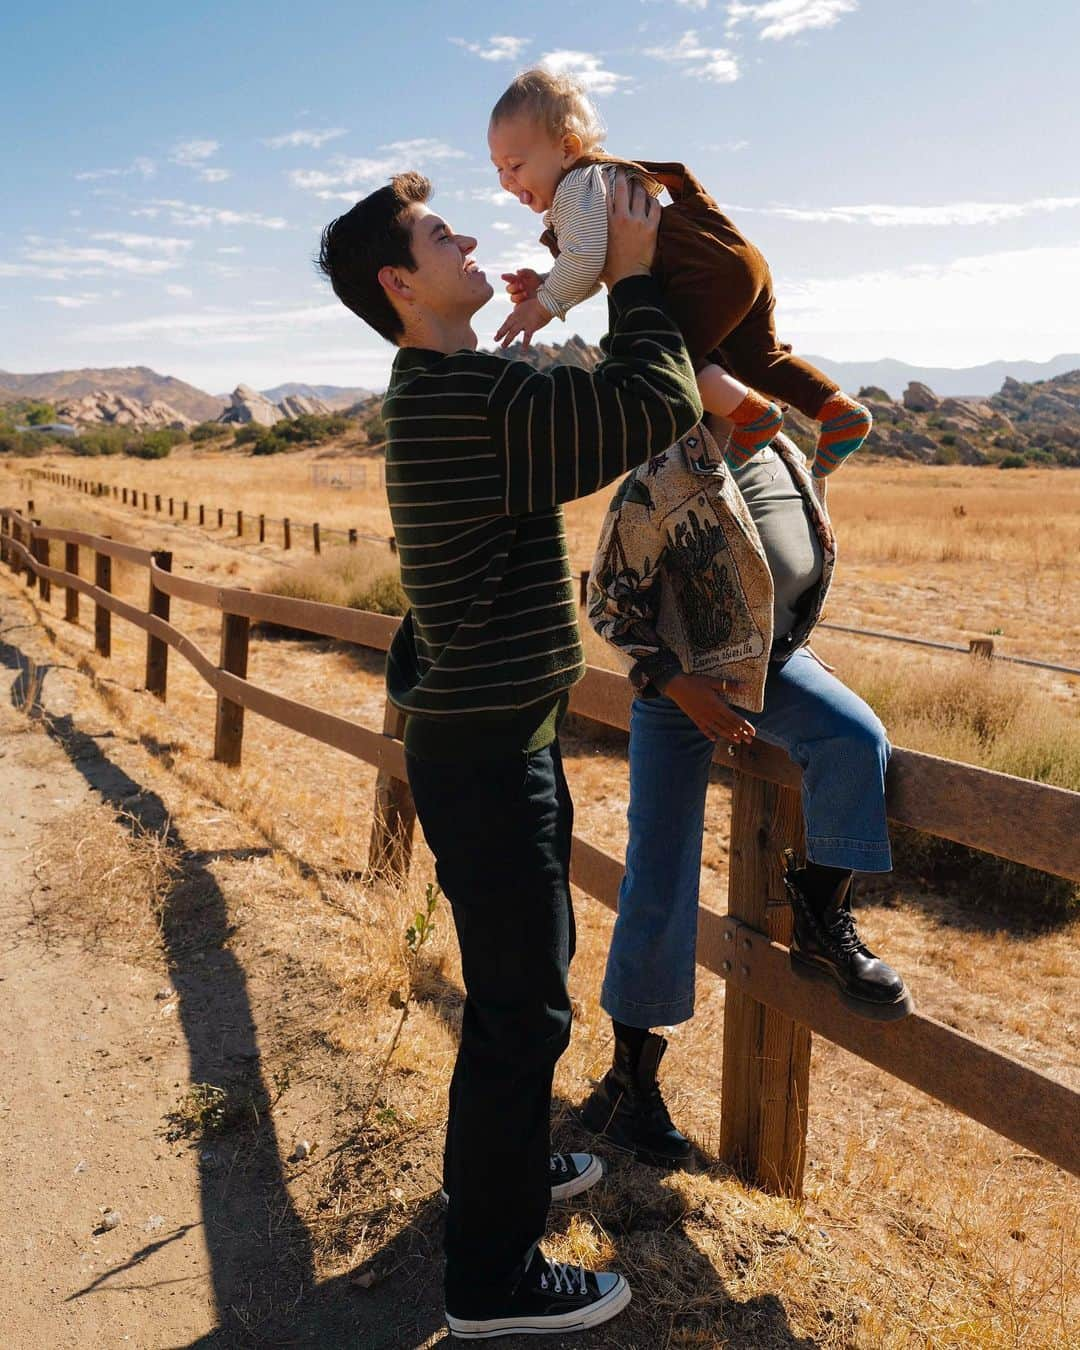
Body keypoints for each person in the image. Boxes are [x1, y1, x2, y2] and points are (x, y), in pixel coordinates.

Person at [318, 169, 702, 1338]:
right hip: (488, 760)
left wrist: (566, 299)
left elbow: (574, 407)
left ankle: (501, 1176)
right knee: (521, 1011)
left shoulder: (447, 386)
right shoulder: (461, 399)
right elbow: (654, 402)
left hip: (488, 742)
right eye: (442, 233)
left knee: (520, 985)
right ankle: (492, 1282)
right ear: (400, 282)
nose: (472, 234)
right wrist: (629, 276)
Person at [581, 415, 912, 1166]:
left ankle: (822, 919)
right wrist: (681, 687)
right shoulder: (663, 472)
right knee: (659, 875)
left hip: (777, 668)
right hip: (677, 691)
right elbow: (606, 601)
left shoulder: (787, 450)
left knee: (858, 741)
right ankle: (628, 1087)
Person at [487, 66, 871, 478]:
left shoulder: (575, 186)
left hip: (699, 278)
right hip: (735, 261)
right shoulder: (599, 181)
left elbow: (584, 259)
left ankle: (753, 416)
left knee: (670, 361)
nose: (508, 181)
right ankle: (838, 411)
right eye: (499, 170)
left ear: (567, 148)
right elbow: (595, 262)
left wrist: (543, 305)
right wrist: (547, 281)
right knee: (759, 358)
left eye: (516, 165)